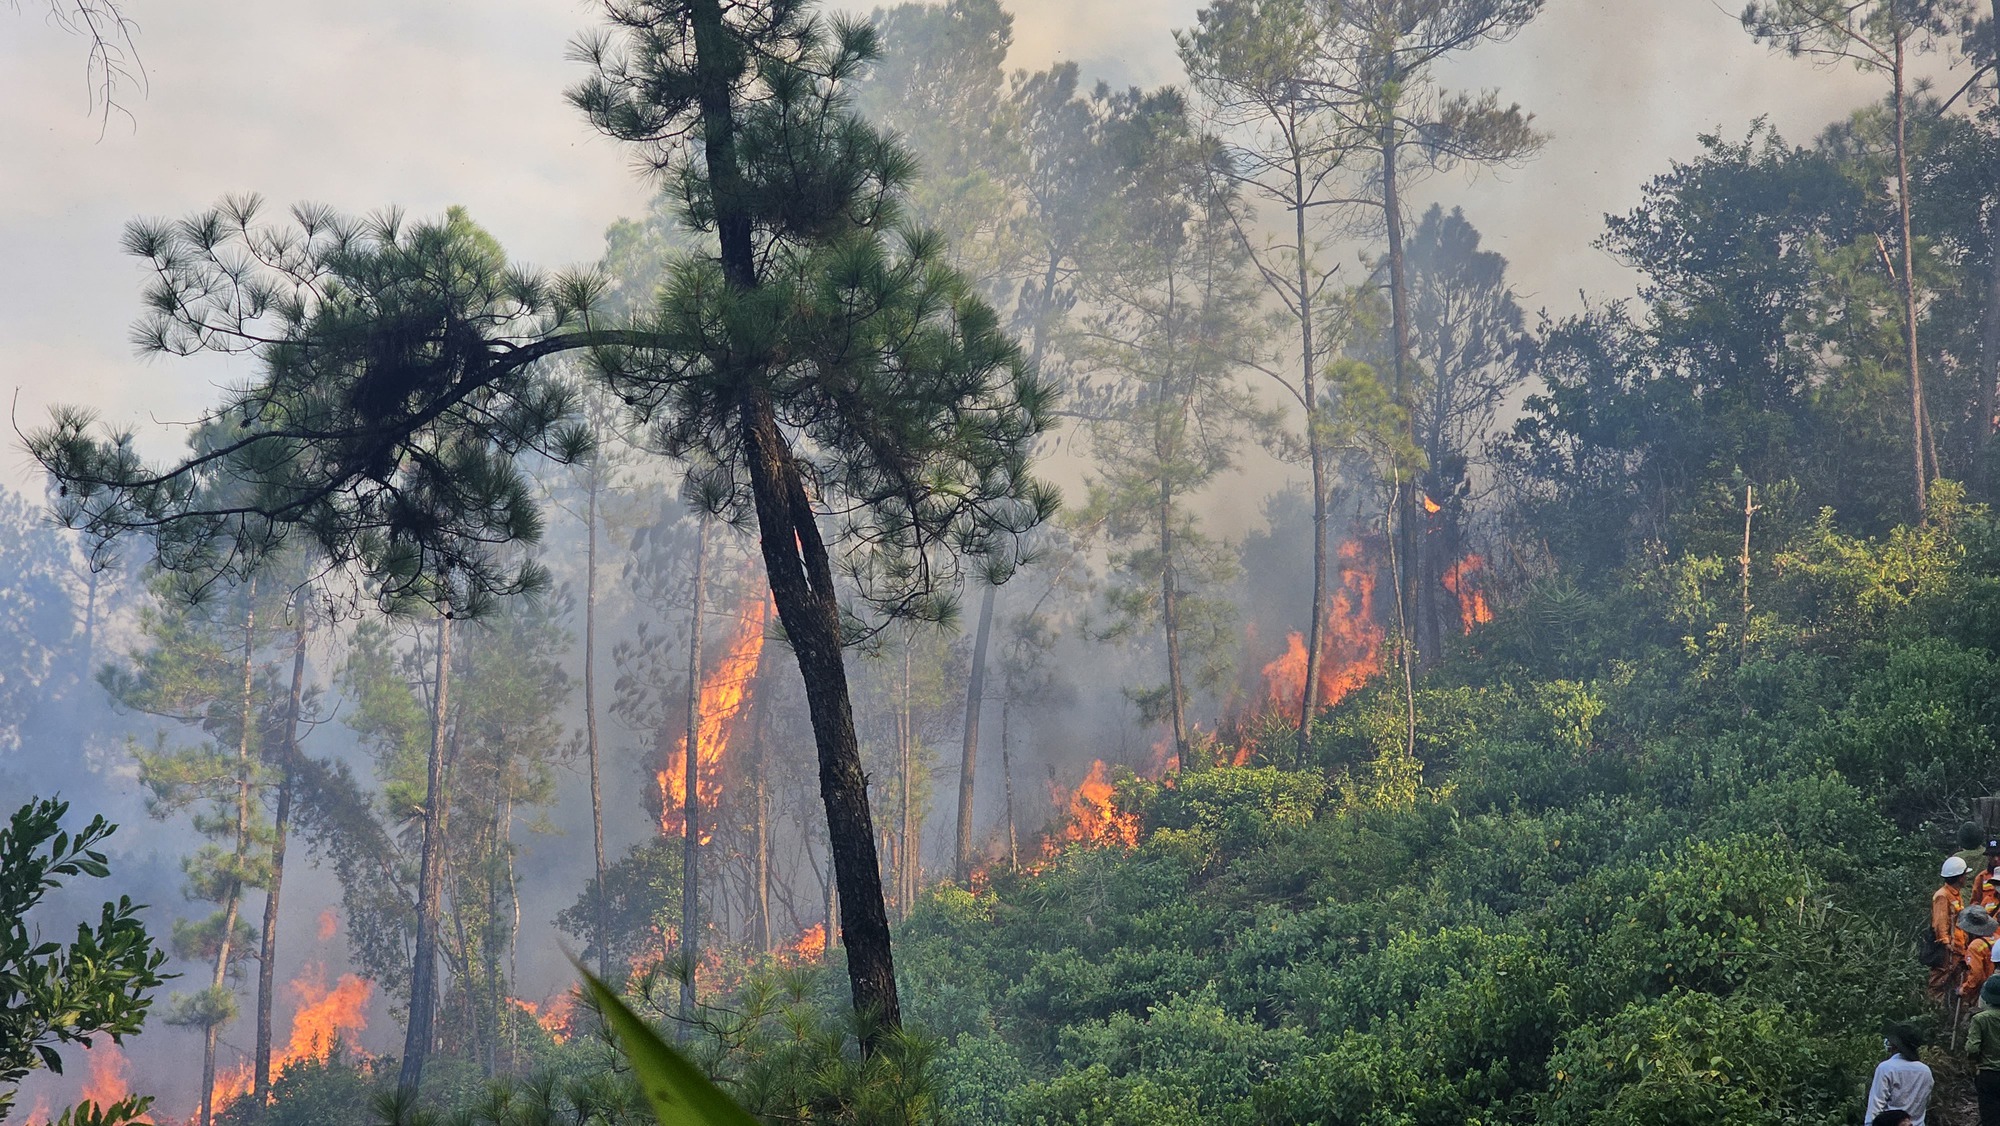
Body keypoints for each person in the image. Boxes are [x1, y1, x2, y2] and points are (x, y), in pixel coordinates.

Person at [1866, 1023, 1933, 1126]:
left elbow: (1876, 1105)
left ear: (1895, 1045)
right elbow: (1926, 1102)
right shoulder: (1926, 1071)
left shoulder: (1886, 1068)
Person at [1937, 856, 1973, 996]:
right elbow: (1940, 922)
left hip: (1959, 947)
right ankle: (1934, 1007)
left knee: (1960, 981)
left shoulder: (1956, 894)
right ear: (1959, 877)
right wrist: (1946, 944)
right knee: (1939, 982)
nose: (1966, 878)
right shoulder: (1942, 895)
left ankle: (1955, 1008)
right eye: (1964, 875)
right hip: (1949, 949)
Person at [1968, 974, 2000, 1124]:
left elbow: (1972, 1048)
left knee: (1990, 1116)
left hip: (1988, 1074)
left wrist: (1974, 1065)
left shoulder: (1980, 1019)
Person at [1966, 906, 2000, 1003]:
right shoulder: (1997, 938)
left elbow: (1976, 975)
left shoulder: (1975, 946)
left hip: (1986, 990)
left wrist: (1964, 989)